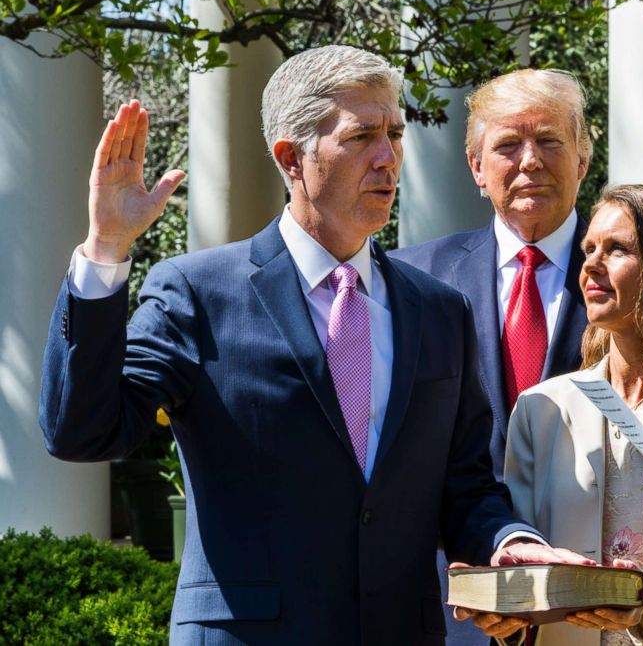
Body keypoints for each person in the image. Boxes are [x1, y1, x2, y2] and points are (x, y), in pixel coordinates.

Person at [37, 45, 592, 645]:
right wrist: (106, 249)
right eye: (361, 138)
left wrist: (509, 543)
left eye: (395, 134)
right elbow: (82, 430)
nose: (388, 159)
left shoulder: (437, 310)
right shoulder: (199, 292)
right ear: (291, 158)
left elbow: (465, 487)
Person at [462, 185, 643, 645]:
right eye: (588, 249)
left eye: (617, 249)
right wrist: (507, 613)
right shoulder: (542, 408)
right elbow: (527, 560)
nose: (591, 265)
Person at [392, 68, 593, 645]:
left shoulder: (636, 277)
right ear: (477, 168)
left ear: (582, 158)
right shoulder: (410, 281)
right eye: (507, 145)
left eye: (550, 141)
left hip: (593, 598)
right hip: (453, 602)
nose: (529, 160)